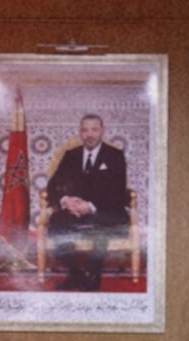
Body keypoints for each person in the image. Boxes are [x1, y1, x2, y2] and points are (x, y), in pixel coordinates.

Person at [46, 113, 129, 291]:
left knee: (101, 227)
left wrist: (90, 207)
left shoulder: (115, 155)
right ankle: (76, 274)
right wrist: (66, 200)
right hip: (75, 211)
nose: (89, 134)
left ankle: (93, 275)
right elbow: (53, 185)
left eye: (94, 129)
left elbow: (118, 192)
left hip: (106, 210)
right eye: (85, 130)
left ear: (102, 131)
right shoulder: (71, 155)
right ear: (80, 133)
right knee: (56, 223)